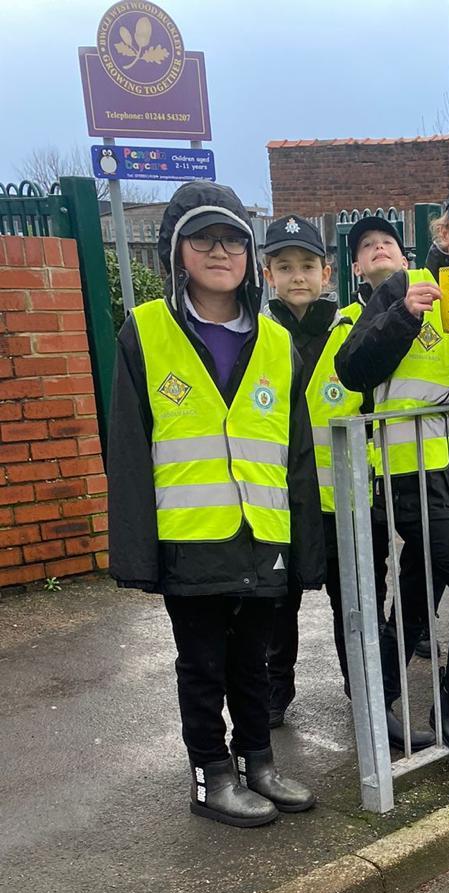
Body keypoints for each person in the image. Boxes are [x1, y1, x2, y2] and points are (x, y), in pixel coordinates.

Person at [107, 181, 323, 828]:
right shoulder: (145, 332)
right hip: (191, 538)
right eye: (202, 239)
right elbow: (127, 448)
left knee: (253, 662)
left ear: (248, 254)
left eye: (230, 238)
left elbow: (298, 455)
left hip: (262, 535)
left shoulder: (275, 339)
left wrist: (305, 549)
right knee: (202, 665)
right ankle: (211, 776)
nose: (218, 251)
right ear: (178, 252)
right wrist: (138, 556)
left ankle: (257, 762)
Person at [336, 179, 449, 757]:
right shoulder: (406, 285)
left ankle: (376, 700)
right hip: (406, 473)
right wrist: (404, 317)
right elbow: (353, 369)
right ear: (444, 232)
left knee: (417, 600)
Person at [260, 215, 367, 727]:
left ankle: (365, 691)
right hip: (281, 502)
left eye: (307, 266)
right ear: (267, 275)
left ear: (327, 273)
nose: (297, 276)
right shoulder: (257, 335)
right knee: (278, 604)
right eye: (285, 266)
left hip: (341, 501)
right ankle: (275, 691)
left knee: (357, 602)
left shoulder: (350, 330)